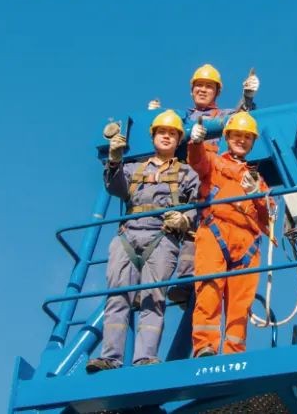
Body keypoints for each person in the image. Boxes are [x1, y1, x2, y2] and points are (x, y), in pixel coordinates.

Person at [86, 109, 200, 372]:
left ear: (179, 140)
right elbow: (115, 187)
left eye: (172, 133)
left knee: (153, 298)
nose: (166, 137)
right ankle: (110, 358)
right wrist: (114, 160)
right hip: (128, 236)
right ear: (153, 136)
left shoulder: (186, 173)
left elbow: (196, 205)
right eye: (162, 132)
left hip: (162, 237)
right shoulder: (133, 168)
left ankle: (145, 358)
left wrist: (184, 219)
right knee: (117, 297)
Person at [154, 64, 260, 305]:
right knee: (169, 225)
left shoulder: (223, 116)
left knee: (200, 224)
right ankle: (164, 283)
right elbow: (163, 134)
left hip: (210, 177)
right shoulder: (180, 117)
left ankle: (186, 282)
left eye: (208, 86)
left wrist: (247, 98)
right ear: (192, 90)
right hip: (180, 180)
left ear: (217, 92)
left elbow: (240, 121)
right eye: (199, 86)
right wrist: (153, 116)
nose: (202, 90)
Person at [186, 111, 273, 357]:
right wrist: (195, 142)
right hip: (215, 231)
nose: (241, 140)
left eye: (247, 137)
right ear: (227, 137)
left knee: (240, 303)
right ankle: (205, 346)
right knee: (209, 290)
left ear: (252, 142)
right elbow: (197, 161)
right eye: (237, 135)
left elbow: (270, 215)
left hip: (247, 244)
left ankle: (234, 351)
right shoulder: (214, 162)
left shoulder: (257, 179)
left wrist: (257, 194)